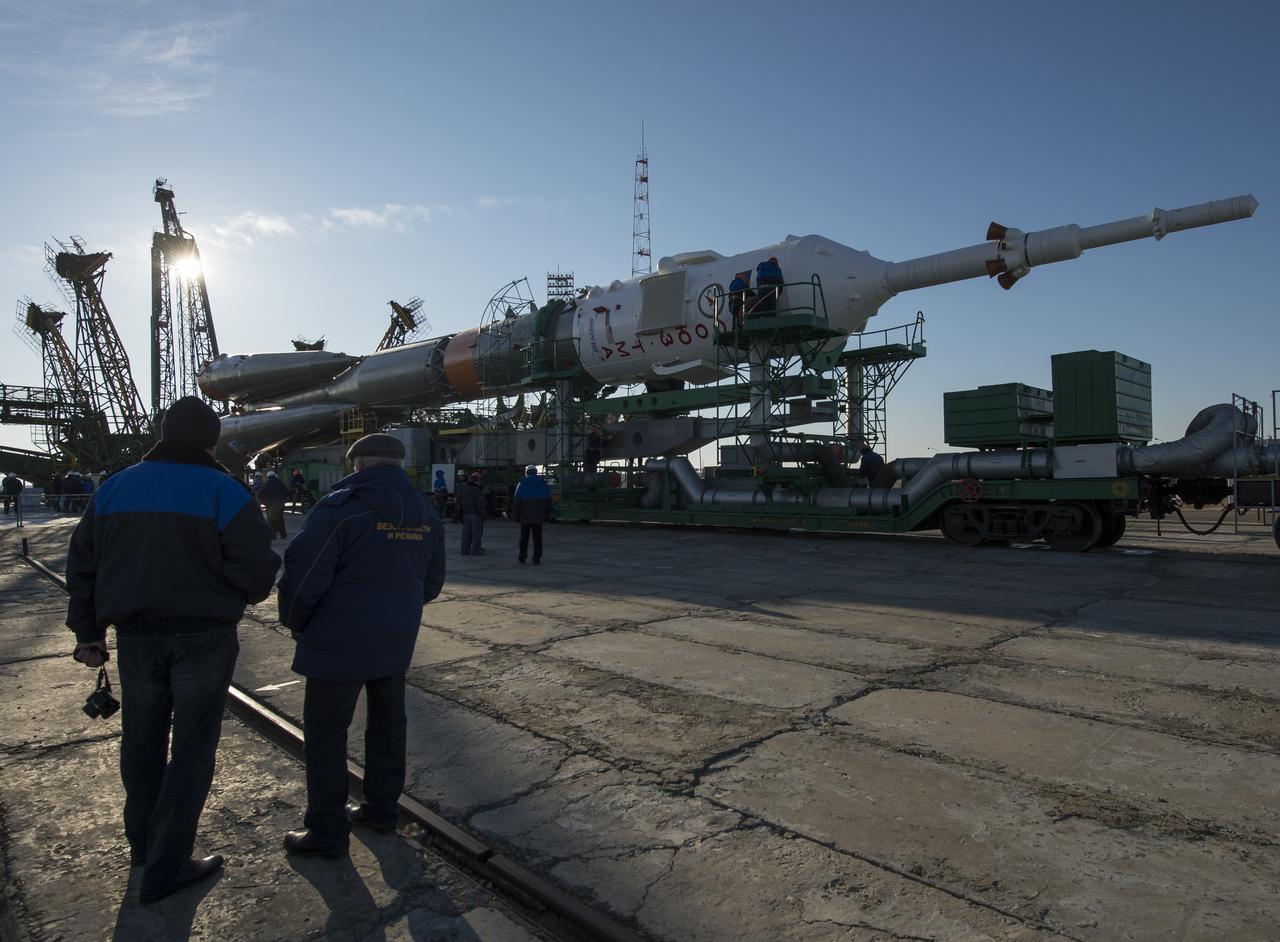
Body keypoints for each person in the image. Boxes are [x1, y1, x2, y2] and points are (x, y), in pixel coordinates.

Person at [65, 396, 280, 904]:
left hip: (136, 638)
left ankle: (143, 847)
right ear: (210, 442)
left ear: (163, 434)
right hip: (204, 637)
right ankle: (168, 867)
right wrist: (228, 590)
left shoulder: (114, 488)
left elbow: (84, 565)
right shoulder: (224, 490)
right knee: (192, 749)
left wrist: (88, 631)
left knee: (140, 741)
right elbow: (257, 569)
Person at [277, 433, 445, 858]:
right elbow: (431, 582)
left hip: (337, 640)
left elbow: (304, 575)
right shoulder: (425, 511)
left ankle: (327, 831)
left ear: (360, 465)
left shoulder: (340, 509)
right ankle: (381, 811)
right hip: (395, 638)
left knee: (326, 735)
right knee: (388, 727)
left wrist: (295, 621)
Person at [513, 465, 552, 565]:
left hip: (525, 516)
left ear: (527, 472)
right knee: (538, 539)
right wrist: (547, 514)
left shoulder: (522, 483)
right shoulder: (543, 483)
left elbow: (517, 501)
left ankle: (522, 558)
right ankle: (536, 558)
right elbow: (548, 501)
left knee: (524, 538)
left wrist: (516, 515)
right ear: (535, 472)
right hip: (539, 516)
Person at [456, 471, 487, 556]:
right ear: (478, 480)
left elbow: (458, 501)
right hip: (475, 515)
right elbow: (480, 505)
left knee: (465, 534)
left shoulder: (463, 488)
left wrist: (459, 513)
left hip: (465, 514)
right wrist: (484, 515)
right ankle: (475, 551)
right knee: (476, 534)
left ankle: (464, 550)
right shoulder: (477, 490)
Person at [259, 470, 288, 539]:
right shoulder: (281, 484)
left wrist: (264, 503)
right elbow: (286, 493)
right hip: (280, 504)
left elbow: (260, 495)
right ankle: (283, 534)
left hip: (270, 505)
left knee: (271, 520)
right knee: (280, 519)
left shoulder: (266, 484)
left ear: (268, 477)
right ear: (275, 476)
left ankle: (273, 535)